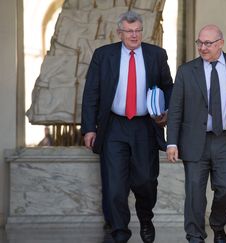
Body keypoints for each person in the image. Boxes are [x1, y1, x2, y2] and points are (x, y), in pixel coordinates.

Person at [81, 10, 173, 243]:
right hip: (113, 126)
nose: (134, 35)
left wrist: (167, 113)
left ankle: (145, 218)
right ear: (119, 32)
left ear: (142, 31)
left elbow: (168, 87)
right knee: (114, 185)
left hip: (145, 126)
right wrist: (89, 127)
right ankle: (119, 232)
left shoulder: (156, 55)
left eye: (138, 31)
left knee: (145, 180)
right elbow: (91, 92)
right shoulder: (104, 55)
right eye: (129, 31)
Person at [166, 24, 226, 243]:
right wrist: (172, 143)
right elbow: (176, 108)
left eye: (208, 43)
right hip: (194, 140)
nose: (202, 48)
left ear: (220, 43)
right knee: (195, 194)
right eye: (199, 43)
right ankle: (195, 236)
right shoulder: (187, 71)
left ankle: (217, 224)